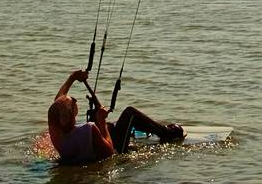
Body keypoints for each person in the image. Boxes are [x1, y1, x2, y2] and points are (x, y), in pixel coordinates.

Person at [47, 69, 183, 164]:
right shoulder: (89, 129)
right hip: (114, 151)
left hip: (82, 154)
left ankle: (125, 128)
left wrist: (73, 77)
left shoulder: (57, 135)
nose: (73, 101)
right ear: (71, 114)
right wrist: (100, 121)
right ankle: (167, 134)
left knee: (111, 126)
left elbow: (58, 102)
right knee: (129, 113)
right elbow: (110, 154)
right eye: (72, 102)